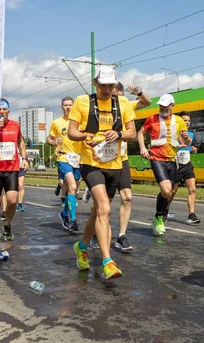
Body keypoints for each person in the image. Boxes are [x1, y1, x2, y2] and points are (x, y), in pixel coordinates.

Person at [68, 66, 137, 280]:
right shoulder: (82, 102)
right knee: (105, 209)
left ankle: (81, 246)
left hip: (114, 164)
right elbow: (72, 132)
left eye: (111, 85)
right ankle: (108, 261)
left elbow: (132, 133)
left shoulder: (123, 103)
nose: (107, 89)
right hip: (91, 162)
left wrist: (117, 133)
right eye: (103, 85)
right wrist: (86, 135)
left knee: (97, 213)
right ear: (95, 82)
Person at [137, 93, 191, 236]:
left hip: (172, 160)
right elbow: (140, 133)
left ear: (172, 106)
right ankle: (159, 218)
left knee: (170, 192)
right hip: (156, 159)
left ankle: (157, 216)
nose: (162, 108)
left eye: (165, 106)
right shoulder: (152, 119)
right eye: (161, 106)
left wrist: (187, 140)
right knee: (166, 190)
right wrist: (142, 148)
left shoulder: (179, 121)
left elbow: (184, 143)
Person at [0, 98, 28, 244]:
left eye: (4, 109)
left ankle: (7, 225)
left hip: (11, 168)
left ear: (8, 111)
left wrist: (24, 157)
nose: (1, 112)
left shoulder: (15, 125)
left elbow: (20, 141)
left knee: (12, 200)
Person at [113, 81, 151, 250]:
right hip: (102, 161)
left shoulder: (126, 105)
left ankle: (121, 236)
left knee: (127, 197)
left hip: (121, 159)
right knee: (102, 203)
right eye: (114, 97)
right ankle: (95, 232)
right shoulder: (98, 108)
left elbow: (146, 102)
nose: (117, 101)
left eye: (119, 97)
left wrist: (139, 91)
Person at [47, 96, 81, 232]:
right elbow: (49, 139)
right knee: (72, 186)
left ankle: (63, 213)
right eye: (65, 105)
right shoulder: (57, 123)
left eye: (70, 105)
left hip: (78, 159)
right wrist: (54, 142)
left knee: (74, 189)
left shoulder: (81, 122)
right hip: (63, 158)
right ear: (62, 108)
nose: (68, 107)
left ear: (74, 107)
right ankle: (73, 220)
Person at [165, 111, 201, 224]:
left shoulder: (191, 135)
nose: (187, 122)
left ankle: (191, 215)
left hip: (187, 164)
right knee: (172, 191)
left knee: (192, 189)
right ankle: (164, 211)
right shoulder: (173, 134)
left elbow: (189, 147)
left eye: (189, 121)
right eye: (185, 120)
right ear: (180, 121)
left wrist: (193, 149)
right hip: (176, 165)